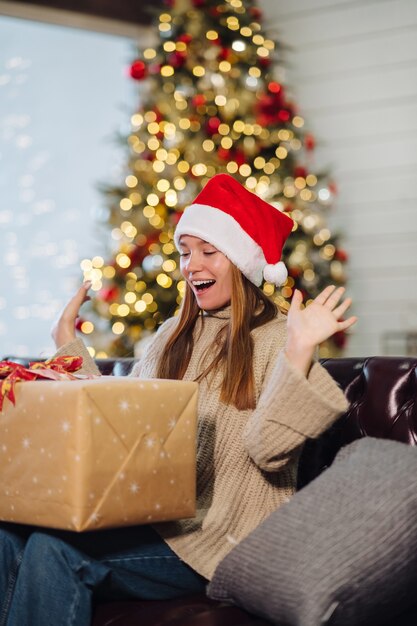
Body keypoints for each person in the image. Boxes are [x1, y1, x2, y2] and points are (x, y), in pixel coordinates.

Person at [0, 173, 357, 625]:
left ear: (243, 261)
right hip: (154, 524)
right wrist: (66, 343)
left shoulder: (277, 340)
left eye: (209, 252)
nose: (191, 265)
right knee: (7, 533)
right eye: (185, 253)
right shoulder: (173, 334)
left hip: (223, 540)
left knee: (55, 550)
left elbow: (268, 451)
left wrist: (300, 351)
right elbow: (124, 418)